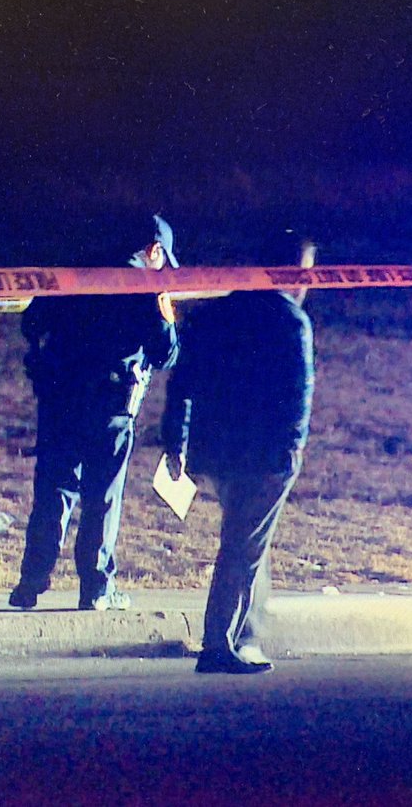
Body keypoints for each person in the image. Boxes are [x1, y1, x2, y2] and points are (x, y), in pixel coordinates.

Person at [161, 232, 316, 673]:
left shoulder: (214, 315)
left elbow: (182, 383)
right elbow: (297, 395)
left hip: (218, 449)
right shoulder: (290, 322)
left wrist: (176, 439)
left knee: (246, 541)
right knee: (242, 547)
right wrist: (291, 450)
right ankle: (219, 642)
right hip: (265, 454)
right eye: (303, 271)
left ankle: (244, 631)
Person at [9, 215, 180, 611]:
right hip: (111, 405)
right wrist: (162, 299)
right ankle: (96, 587)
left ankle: (30, 583)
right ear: (153, 251)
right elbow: (165, 353)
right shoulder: (145, 286)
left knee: (54, 490)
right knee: (102, 496)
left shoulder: (77, 270)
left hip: (60, 398)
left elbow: (32, 320)